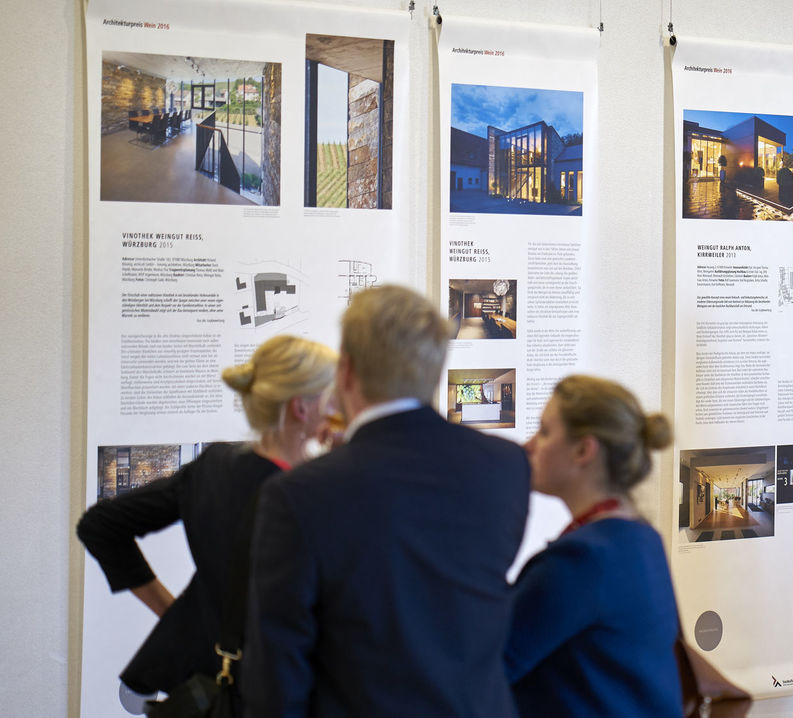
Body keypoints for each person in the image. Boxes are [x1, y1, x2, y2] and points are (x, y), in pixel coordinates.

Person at [244, 284, 530, 718]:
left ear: (346, 373)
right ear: (435, 371)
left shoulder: (300, 494)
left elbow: (278, 669)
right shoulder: (506, 466)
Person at [77, 334, 337, 699]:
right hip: (284, 687)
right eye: (331, 393)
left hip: (214, 678)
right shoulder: (312, 491)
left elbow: (99, 525)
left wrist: (172, 613)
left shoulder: (215, 467)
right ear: (301, 407)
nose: (338, 404)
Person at [505, 375, 681, 717]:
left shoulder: (582, 560)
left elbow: (489, 664)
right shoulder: (642, 538)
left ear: (584, 450)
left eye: (544, 432)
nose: (529, 445)